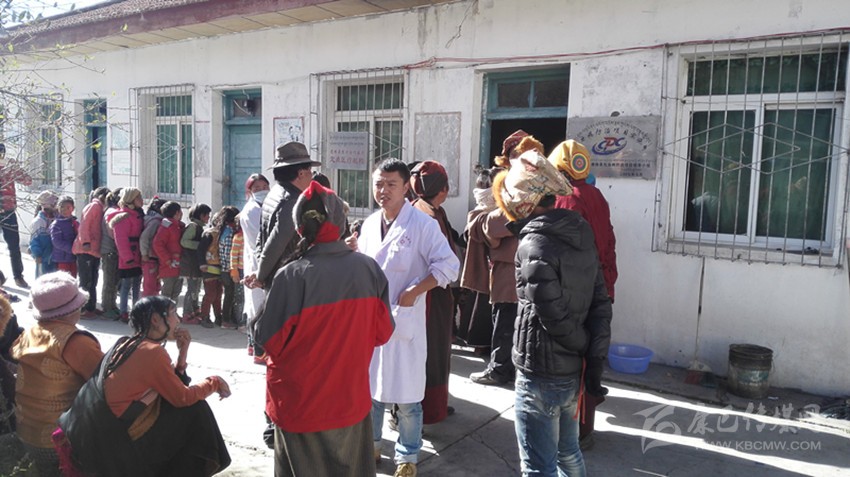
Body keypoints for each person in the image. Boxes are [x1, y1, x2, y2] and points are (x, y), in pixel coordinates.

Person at [254, 181, 394, 477]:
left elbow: (268, 342)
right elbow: (383, 333)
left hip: (300, 406)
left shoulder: (291, 275)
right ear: (341, 223)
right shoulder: (368, 269)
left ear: (300, 227)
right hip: (350, 401)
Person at [493, 150, 612, 477]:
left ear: (524, 203)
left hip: (540, 373)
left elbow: (551, 314)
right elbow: (601, 301)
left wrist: (582, 345)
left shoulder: (534, 243)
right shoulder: (580, 232)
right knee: (568, 451)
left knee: (537, 466)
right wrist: (591, 352)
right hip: (571, 373)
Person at [349, 158, 459, 477]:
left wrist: (414, 291)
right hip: (372, 320)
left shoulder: (423, 225)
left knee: (409, 398)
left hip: (404, 320)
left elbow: (449, 266)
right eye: (378, 184)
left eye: (391, 184)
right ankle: (371, 446)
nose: (383, 191)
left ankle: (407, 455)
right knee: (371, 390)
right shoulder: (370, 224)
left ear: (406, 186)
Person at [57, 296, 231, 476]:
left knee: (187, 408)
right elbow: (183, 398)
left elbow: (173, 388)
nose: (178, 320)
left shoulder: (126, 343)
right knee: (196, 410)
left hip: (93, 433)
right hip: (110, 442)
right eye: (173, 313)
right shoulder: (153, 352)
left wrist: (182, 354)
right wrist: (214, 382)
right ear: (155, 320)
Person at [548, 140, 618, 449]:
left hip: (575, 291)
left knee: (571, 361)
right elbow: (609, 241)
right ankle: (585, 429)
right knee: (591, 356)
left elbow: (562, 250)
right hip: (600, 285)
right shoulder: (596, 196)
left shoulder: (565, 199)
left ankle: (571, 434)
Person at [10, 272, 104, 476]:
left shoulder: (31, 333)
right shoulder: (76, 342)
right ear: (74, 309)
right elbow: (107, 383)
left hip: (27, 432)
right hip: (59, 441)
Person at [470, 133, 543, 386]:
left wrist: (483, 222)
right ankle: (513, 368)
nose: (517, 159)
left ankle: (500, 369)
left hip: (513, 262)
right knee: (515, 318)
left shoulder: (522, 187)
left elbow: (499, 223)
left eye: (521, 154)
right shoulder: (530, 184)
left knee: (505, 318)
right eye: (513, 155)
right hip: (523, 261)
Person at [409, 160, 458, 425]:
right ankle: (423, 410)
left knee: (435, 352)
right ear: (443, 189)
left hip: (434, 293)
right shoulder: (425, 216)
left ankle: (432, 406)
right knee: (428, 353)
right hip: (428, 294)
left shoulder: (429, 210)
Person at [246, 141, 320, 290]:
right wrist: (261, 276)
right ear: (301, 173)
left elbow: (261, 237)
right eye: (310, 171)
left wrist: (262, 271)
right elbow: (275, 244)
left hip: (276, 277)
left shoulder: (274, 192)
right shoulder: (292, 201)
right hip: (287, 280)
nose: (312, 176)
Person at [239, 173, 269, 360]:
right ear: (249, 192)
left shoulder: (265, 207)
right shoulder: (251, 211)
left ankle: (255, 346)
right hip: (258, 265)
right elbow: (260, 241)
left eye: (264, 187)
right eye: (257, 188)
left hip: (263, 264)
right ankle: (259, 350)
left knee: (260, 307)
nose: (262, 191)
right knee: (259, 308)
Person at [109, 188, 145, 323]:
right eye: (138, 198)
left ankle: (136, 310)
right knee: (126, 285)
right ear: (130, 199)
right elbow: (121, 240)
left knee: (137, 284)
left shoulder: (138, 214)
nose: (141, 200)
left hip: (138, 254)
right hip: (129, 256)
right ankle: (124, 311)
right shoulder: (123, 217)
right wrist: (128, 258)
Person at [73, 187, 109, 317]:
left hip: (94, 250)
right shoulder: (94, 206)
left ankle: (91, 306)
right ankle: (82, 308)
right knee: (86, 281)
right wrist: (86, 242)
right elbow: (85, 225)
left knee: (93, 280)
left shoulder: (100, 208)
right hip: (86, 250)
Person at [0, 143, 33, 288]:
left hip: (8, 211)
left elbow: (28, 181)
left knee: (14, 245)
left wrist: (15, 168)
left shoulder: (8, 168)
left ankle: (18, 276)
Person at [180, 203, 211, 324]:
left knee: (196, 290)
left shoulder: (199, 228)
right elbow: (184, 241)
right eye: (207, 215)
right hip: (191, 265)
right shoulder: (193, 227)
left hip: (195, 264)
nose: (209, 217)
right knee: (192, 290)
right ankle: (187, 314)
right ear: (201, 215)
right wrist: (201, 246)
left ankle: (194, 312)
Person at [153, 202, 185, 305]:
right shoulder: (166, 226)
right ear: (177, 212)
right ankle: (164, 312)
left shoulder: (178, 226)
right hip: (169, 265)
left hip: (178, 265)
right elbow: (157, 244)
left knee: (176, 292)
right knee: (167, 292)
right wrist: (167, 259)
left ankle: (172, 311)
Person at [100, 188, 123, 320]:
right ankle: (107, 307)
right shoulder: (112, 212)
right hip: (110, 251)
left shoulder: (112, 210)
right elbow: (112, 233)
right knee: (110, 280)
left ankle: (112, 305)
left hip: (112, 251)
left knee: (114, 280)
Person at [217, 206, 242, 330]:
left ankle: (228, 318)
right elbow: (228, 253)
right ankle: (226, 320)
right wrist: (232, 269)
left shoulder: (223, 230)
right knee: (229, 295)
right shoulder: (229, 232)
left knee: (229, 294)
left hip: (225, 269)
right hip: (227, 270)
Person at [140, 197, 167, 297]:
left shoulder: (151, 218)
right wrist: (144, 254)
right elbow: (144, 237)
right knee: (150, 286)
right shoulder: (156, 222)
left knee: (155, 285)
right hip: (150, 257)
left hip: (154, 257)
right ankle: (147, 304)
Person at [29, 191, 59, 279]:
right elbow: (34, 241)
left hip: (55, 257)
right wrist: (37, 254)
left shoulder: (56, 219)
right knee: (42, 280)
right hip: (43, 258)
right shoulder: (38, 222)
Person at [50, 196, 79, 277]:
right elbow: (56, 242)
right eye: (62, 207)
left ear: (73, 208)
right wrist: (72, 248)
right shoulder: (56, 224)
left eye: (68, 207)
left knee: (73, 279)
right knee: (64, 279)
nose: (64, 210)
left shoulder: (74, 222)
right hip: (62, 258)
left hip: (73, 257)